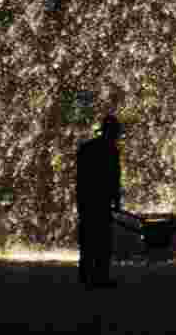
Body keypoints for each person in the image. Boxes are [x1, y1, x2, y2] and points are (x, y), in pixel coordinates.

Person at [75, 114, 123, 290]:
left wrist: (80, 200)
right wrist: (116, 200)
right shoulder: (111, 151)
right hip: (101, 201)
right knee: (102, 241)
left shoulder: (87, 148)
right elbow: (114, 178)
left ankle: (86, 275)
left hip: (87, 200)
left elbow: (80, 177)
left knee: (88, 239)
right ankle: (100, 276)